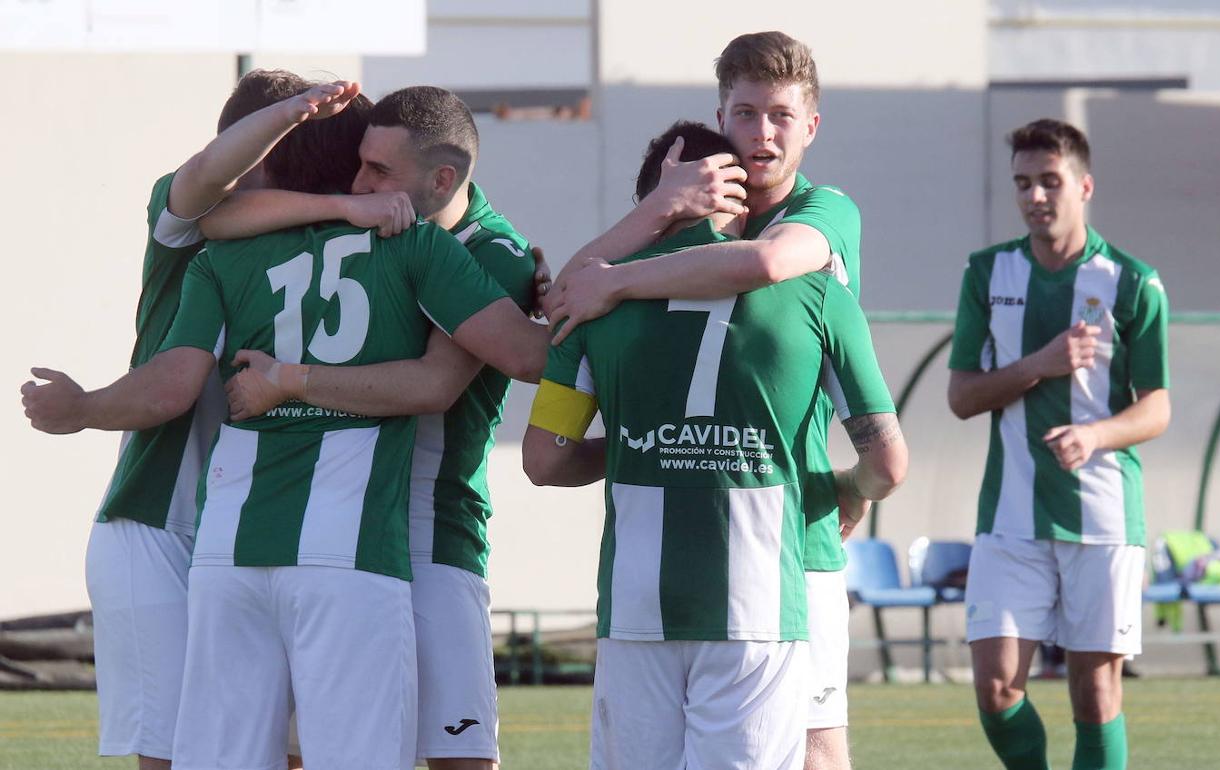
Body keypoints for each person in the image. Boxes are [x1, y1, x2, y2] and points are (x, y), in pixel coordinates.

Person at [23, 82, 547, 770]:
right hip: (318, 541)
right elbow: (490, 368)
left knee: (228, 754)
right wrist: (589, 294)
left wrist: (286, 381)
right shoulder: (410, 246)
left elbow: (180, 370)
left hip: (237, 540)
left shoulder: (226, 251)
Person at [523, 121, 907, 770]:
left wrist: (647, 449)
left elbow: (545, 458)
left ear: (649, 202)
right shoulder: (816, 288)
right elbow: (888, 463)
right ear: (740, 197)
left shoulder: (589, 299)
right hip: (759, 600)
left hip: (636, 603)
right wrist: (850, 491)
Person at [213, 85, 539, 770]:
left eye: (378, 172)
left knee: (456, 752)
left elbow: (437, 385)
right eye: (359, 164)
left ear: (442, 178)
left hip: (432, 529)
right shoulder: (364, 225)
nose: (359, 183)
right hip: (339, 526)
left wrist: (289, 380)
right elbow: (212, 214)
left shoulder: (492, 253)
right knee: (306, 748)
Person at [947, 118, 1170, 770]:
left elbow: (1157, 407)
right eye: (1023, 183)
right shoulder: (987, 273)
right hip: (1009, 517)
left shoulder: (1133, 282)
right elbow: (962, 397)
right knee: (994, 690)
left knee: (1095, 695)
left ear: (1084, 185)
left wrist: (1096, 434)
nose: (1034, 196)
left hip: (1100, 515)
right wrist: (1039, 364)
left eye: (1050, 181)